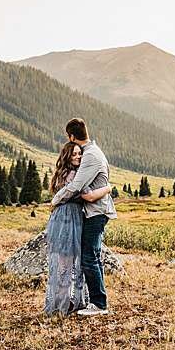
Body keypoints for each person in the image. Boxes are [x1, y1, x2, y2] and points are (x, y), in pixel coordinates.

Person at [47, 118, 117, 317]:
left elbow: (78, 187)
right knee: (92, 257)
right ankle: (96, 300)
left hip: (96, 212)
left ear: (71, 136)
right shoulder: (91, 152)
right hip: (92, 211)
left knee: (89, 257)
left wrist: (55, 200)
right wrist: (108, 188)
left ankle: (98, 303)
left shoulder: (91, 156)